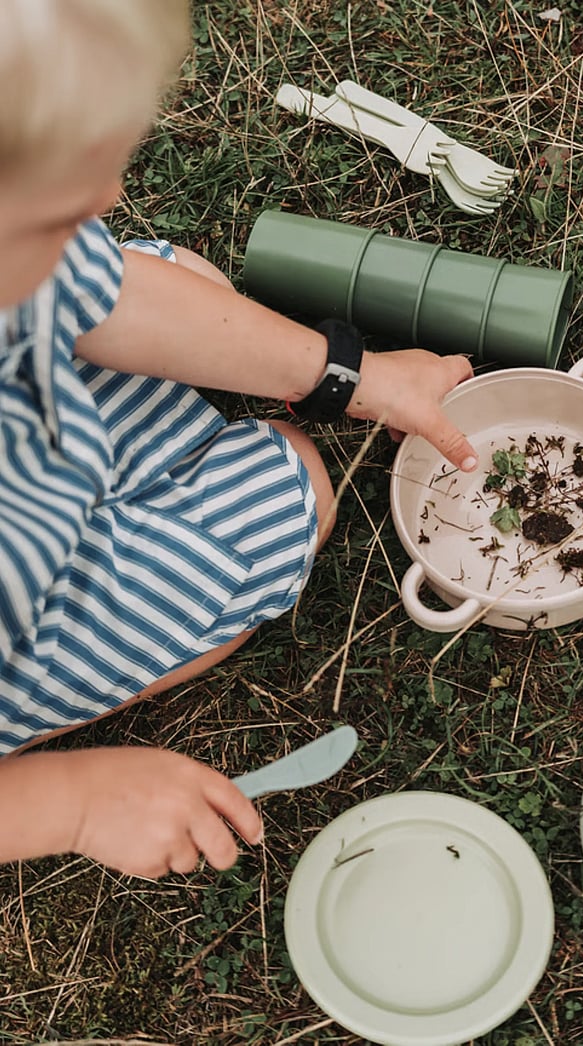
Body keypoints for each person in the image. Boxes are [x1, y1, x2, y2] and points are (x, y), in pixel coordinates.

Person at [0, 0, 476, 880]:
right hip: (18, 618)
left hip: (31, 440)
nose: (109, 199)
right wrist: (70, 801)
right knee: (293, 482)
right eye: (60, 208)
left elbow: (112, 298)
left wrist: (350, 376)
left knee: (185, 286)